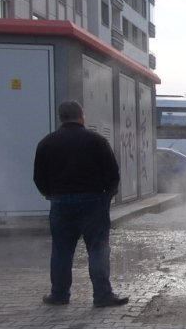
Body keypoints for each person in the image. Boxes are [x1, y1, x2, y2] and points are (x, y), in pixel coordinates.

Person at [33, 100, 128, 307]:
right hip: (93, 201)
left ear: (61, 117)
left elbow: (38, 178)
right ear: (81, 116)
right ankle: (102, 295)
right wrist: (106, 198)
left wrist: (51, 195)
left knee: (61, 249)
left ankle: (59, 295)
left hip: (60, 202)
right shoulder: (96, 141)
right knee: (97, 248)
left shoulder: (47, 143)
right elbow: (113, 174)